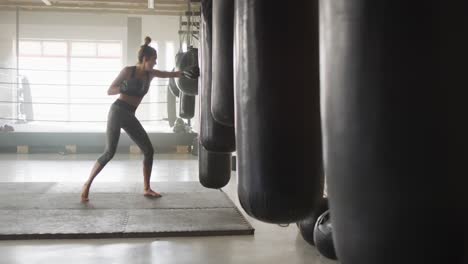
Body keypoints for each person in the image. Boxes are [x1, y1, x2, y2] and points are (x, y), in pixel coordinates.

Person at [81, 36, 198, 203]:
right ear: (145, 59)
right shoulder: (128, 71)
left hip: (129, 115)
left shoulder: (150, 74)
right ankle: (87, 184)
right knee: (109, 152)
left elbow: (168, 74)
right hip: (117, 111)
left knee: (148, 150)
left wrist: (184, 73)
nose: (155, 63)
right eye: (154, 60)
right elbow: (110, 90)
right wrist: (123, 87)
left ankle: (147, 188)